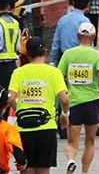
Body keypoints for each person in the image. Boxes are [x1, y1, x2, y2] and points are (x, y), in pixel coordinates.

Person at [8, 37, 68, 174]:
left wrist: (18, 109)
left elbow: (10, 98)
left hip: (24, 127)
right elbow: (64, 99)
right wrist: (65, 114)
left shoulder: (18, 72)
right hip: (46, 127)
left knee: (26, 167)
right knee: (43, 168)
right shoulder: (54, 72)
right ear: (45, 51)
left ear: (28, 54)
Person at [58, 22, 99, 174]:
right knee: (90, 141)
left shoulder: (68, 54)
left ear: (78, 36)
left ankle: (71, 160)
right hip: (92, 101)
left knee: (72, 142)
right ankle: (85, 172)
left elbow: (59, 74)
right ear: (93, 36)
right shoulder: (98, 55)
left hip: (73, 102)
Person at [50, 0, 92, 64]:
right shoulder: (85, 21)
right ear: (88, 4)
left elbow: (56, 41)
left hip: (63, 57)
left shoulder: (63, 19)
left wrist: (53, 59)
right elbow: (88, 43)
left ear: (73, 2)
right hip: (79, 59)